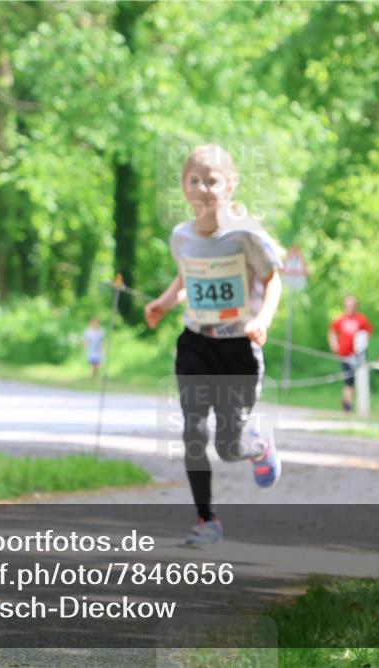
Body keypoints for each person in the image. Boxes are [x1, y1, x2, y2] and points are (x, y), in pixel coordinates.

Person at [144, 144, 283, 547]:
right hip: (195, 345)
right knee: (193, 430)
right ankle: (207, 520)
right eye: (194, 181)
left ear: (231, 185)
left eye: (212, 180)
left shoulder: (246, 235)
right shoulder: (181, 236)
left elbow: (273, 280)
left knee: (229, 445)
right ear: (184, 187)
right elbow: (188, 276)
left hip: (238, 349)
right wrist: (164, 302)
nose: (203, 189)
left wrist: (262, 320)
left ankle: (258, 445)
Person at [327, 295, 373, 413]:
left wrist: (363, 346)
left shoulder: (361, 320)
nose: (350, 308)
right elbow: (332, 331)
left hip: (358, 356)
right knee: (349, 380)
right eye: (348, 306)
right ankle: (348, 405)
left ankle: (349, 403)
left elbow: (368, 333)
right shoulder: (340, 319)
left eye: (352, 306)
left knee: (358, 379)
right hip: (345, 356)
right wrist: (334, 345)